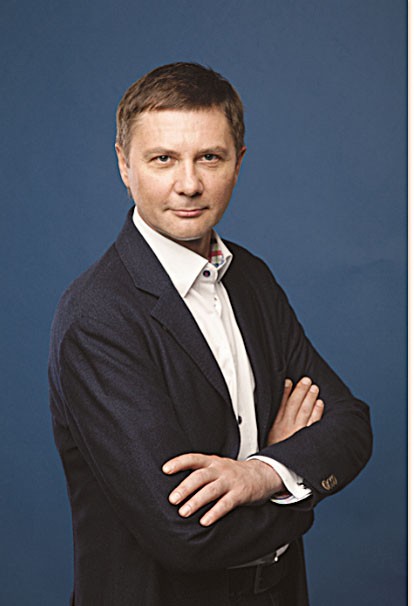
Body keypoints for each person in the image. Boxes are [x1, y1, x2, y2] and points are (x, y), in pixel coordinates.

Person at [48, 62, 372, 606]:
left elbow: (351, 425)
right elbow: (187, 535)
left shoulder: (251, 278)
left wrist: (261, 475)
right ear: (124, 165)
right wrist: (296, 487)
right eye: (163, 159)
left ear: (238, 162)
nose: (189, 184)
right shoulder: (98, 318)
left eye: (210, 158)